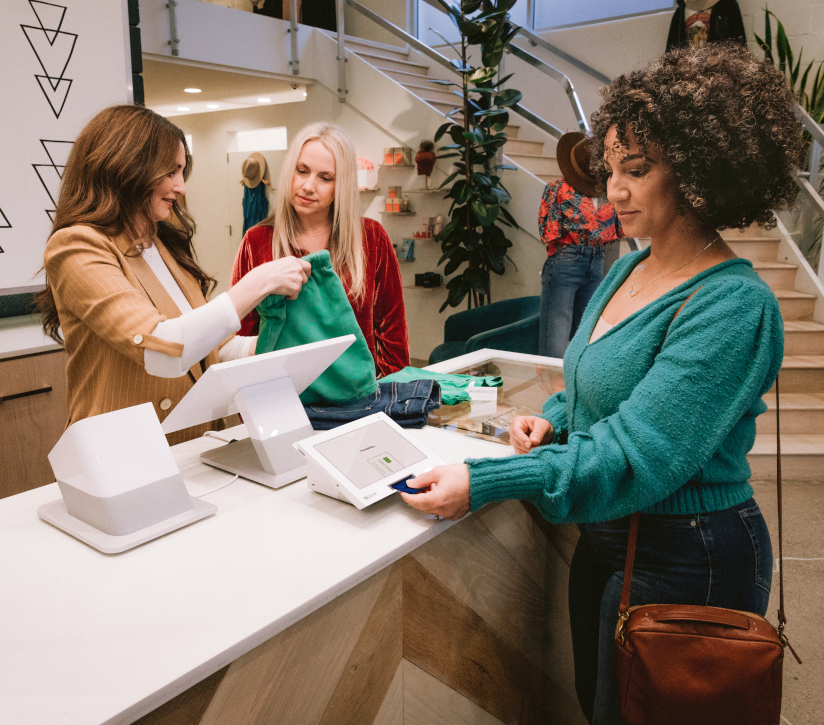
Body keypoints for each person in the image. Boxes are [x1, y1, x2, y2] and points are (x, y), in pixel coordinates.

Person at [401, 43, 802, 724]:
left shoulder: (734, 306)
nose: (611, 190)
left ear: (699, 172)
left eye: (636, 171)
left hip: (691, 555)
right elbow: (592, 379)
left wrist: (485, 479)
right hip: (610, 542)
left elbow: (636, 453)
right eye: (610, 169)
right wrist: (555, 416)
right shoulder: (625, 269)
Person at [37, 105, 311, 443]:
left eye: (181, 172)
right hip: (123, 452)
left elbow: (215, 349)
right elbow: (161, 351)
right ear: (126, 168)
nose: (180, 187)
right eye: (170, 172)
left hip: (193, 445)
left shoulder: (163, 244)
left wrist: (294, 345)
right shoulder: (77, 246)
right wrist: (257, 283)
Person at [231, 122, 409, 377]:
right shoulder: (257, 241)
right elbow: (242, 337)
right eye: (301, 171)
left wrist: (387, 401)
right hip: (282, 399)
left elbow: (394, 342)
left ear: (341, 185)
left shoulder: (371, 238)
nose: (308, 186)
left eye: (325, 178)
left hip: (359, 399)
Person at [539, 132, 623, 358]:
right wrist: (564, 254)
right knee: (555, 334)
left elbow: (617, 230)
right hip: (567, 259)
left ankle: (576, 389)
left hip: (598, 260)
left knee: (585, 331)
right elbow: (548, 231)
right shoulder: (557, 189)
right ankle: (550, 390)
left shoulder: (610, 190)